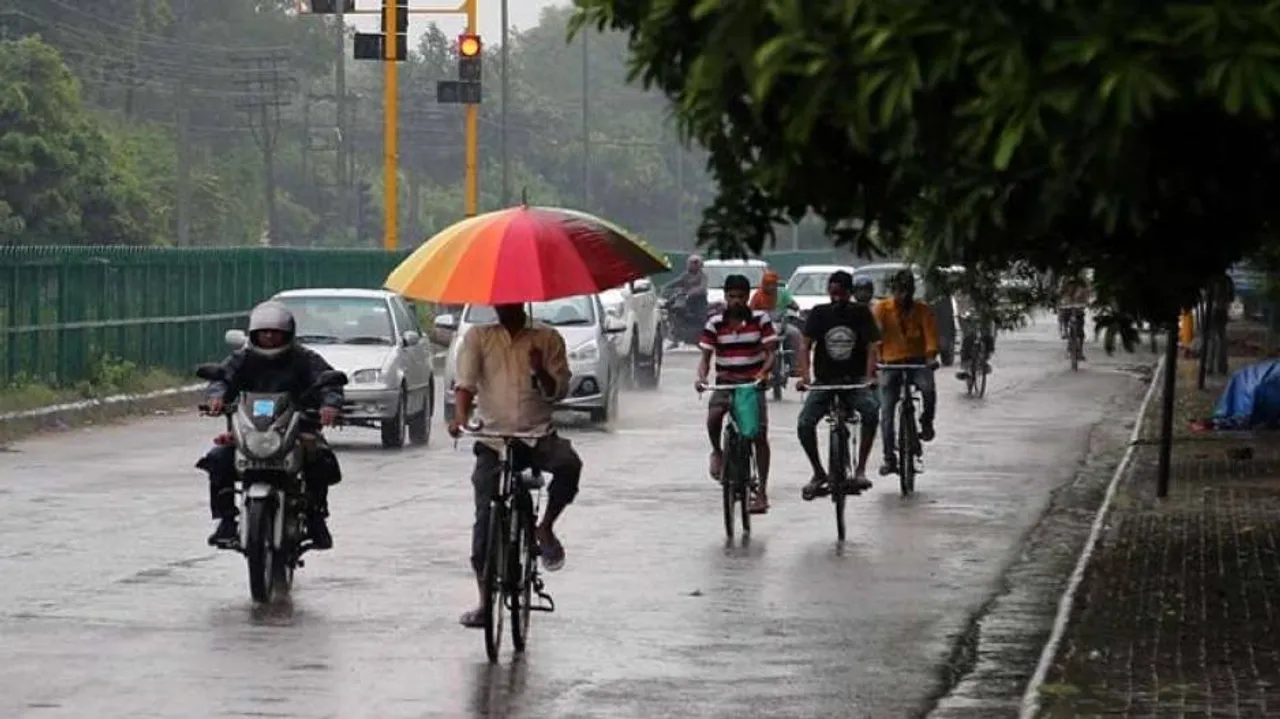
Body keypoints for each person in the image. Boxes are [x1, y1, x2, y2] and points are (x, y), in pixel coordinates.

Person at [448, 302, 583, 629]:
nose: (503, 306)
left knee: (569, 464)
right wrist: (460, 418)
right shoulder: (478, 337)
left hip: (537, 435)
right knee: (485, 519)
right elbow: (465, 384)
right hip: (493, 439)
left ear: (523, 302)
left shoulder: (547, 338)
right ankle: (485, 603)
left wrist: (539, 370)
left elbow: (557, 392)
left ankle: (544, 526)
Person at [197, 302, 344, 549]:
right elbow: (222, 379)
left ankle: (316, 518)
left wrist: (329, 405)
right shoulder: (242, 358)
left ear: (288, 334)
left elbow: (328, 382)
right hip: (250, 430)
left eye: (275, 332)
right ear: (254, 334)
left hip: (297, 428)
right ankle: (226, 520)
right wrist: (216, 397)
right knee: (218, 459)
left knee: (319, 458)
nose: (269, 337)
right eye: (263, 332)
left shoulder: (304, 359)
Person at [696, 274, 777, 513]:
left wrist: (763, 373)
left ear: (747, 296)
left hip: (752, 385)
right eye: (732, 297)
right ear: (725, 297)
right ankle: (717, 451)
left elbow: (771, 353)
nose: (737, 301)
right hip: (725, 383)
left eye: (741, 297)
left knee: (758, 435)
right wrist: (701, 378)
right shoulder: (714, 323)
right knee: (714, 416)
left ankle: (761, 492)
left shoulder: (760, 319)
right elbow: (705, 358)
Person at [796, 270, 881, 495]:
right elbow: (805, 345)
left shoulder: (861, 313)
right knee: (804, 423)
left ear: (850, 293)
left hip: (854, 381)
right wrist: (805, 377)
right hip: (824, 381)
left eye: (842, 294)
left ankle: (860, 469)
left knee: (871, 411)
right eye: (833, 294)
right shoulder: (819, 313)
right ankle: (818, 471)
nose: (837, 299)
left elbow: (873, 346)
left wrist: (870, 376)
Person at [872, 269, 940, 476]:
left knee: (928, 389)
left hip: (917, 362)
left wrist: (930, 356)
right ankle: (889, 458)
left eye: (907, 291)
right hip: (890, 363)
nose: (903, 296)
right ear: (893, 291)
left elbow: (930, 336)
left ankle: (926, 422)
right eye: (900, 291)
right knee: (886, 411)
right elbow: (874, 336)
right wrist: (876, 359)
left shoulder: (922, 310)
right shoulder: (882, 309)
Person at [750, 270, 802, 367]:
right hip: (763, 328)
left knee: (795, 333)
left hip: (781, 324)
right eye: (768, 284)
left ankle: (795, 366)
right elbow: (750, 312)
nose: (771, 287)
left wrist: (791, 307)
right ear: (763, 284)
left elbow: (795, 306)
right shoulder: (757, 296)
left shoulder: (783, 293)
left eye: (773, 284)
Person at [662, 254, 710, 347]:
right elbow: (678, 282)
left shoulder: (702, 275)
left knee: (702, 319)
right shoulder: (686, 275)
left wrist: (691, 292)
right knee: (676, 312)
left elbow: (702, 288)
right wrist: (666, 287)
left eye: (694, 263)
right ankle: (675, 338)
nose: (691, 265)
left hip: (699, 301)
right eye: (691, 263)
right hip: (687, 301)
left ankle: (702, 338)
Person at [954, 290, 997, 382]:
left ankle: (984, 360)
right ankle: (965, 365)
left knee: (988, 335)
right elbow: (959, 299)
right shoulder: (963, 289)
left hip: (985, 312)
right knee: (969, 336)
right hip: (965, 312)